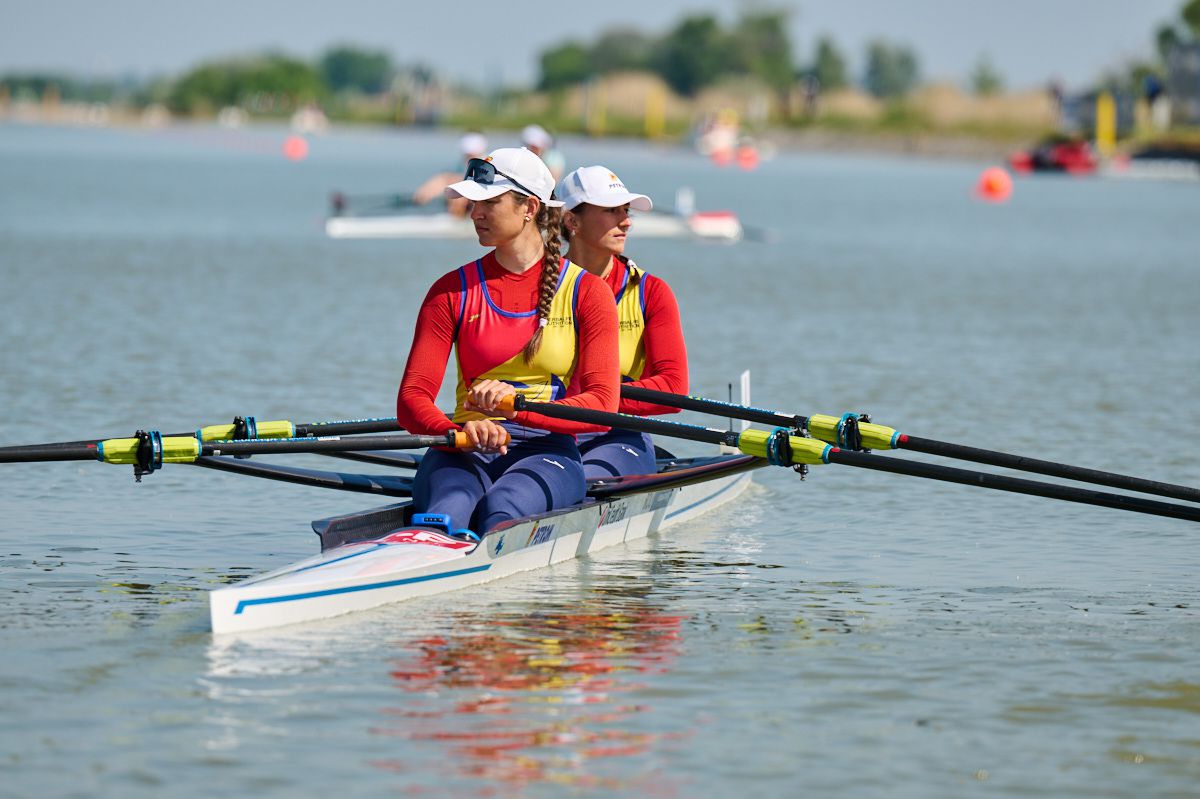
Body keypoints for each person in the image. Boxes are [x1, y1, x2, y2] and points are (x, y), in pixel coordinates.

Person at [397, 147, 620, 536]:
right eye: (473, 202)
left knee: (504, 509)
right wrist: (459, 434)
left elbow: (602, 404)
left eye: (489, 202)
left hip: (547, 450)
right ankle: (429, 549)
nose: (475, 212)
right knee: (447, 512)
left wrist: (516, 408)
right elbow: (412, 399)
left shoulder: (587, 293)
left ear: (530, 208)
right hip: (462, 447)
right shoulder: (449, 291)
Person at [556, 165, 688, 480]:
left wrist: (596, 398)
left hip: (617, 434)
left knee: (580, 480)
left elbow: (673, 387)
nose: (626, 221)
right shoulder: (538, 288)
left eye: (626, 211)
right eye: (612, 211)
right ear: (572, 220)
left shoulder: (651, 292)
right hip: (547, 429)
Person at [412, 131, 488, 216]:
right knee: (442, 180)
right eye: (467, 155)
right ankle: (419, 200)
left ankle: (457, 216)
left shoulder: (490, 166)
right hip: (463, 200)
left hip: (475, 201)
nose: (468, 158)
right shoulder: (457, 167)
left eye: (472, 155)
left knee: (457, 192)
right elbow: (446, 178)